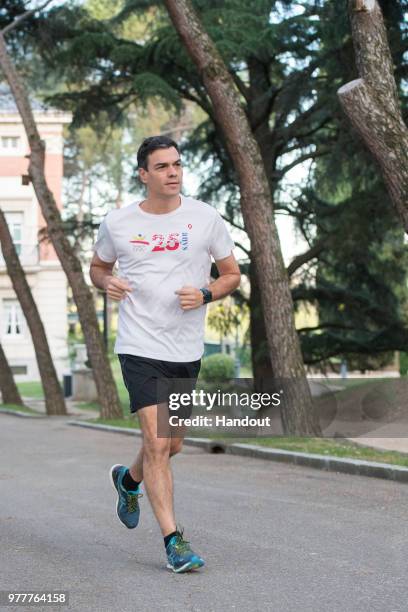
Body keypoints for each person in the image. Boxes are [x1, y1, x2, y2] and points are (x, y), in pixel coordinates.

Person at [90, 135, 240, 573]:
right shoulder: (117, 223)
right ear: (143, 174)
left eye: (176, 164)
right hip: (139, 345)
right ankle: (174, 542)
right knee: (157, 443)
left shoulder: (205, 218)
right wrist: (106, 283)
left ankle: (128, 480)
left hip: (185, 347)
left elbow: (231, 274)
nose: (173, 172)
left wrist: (207, 291)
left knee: (171, 445)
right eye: (162, 167)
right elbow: (98, 268)